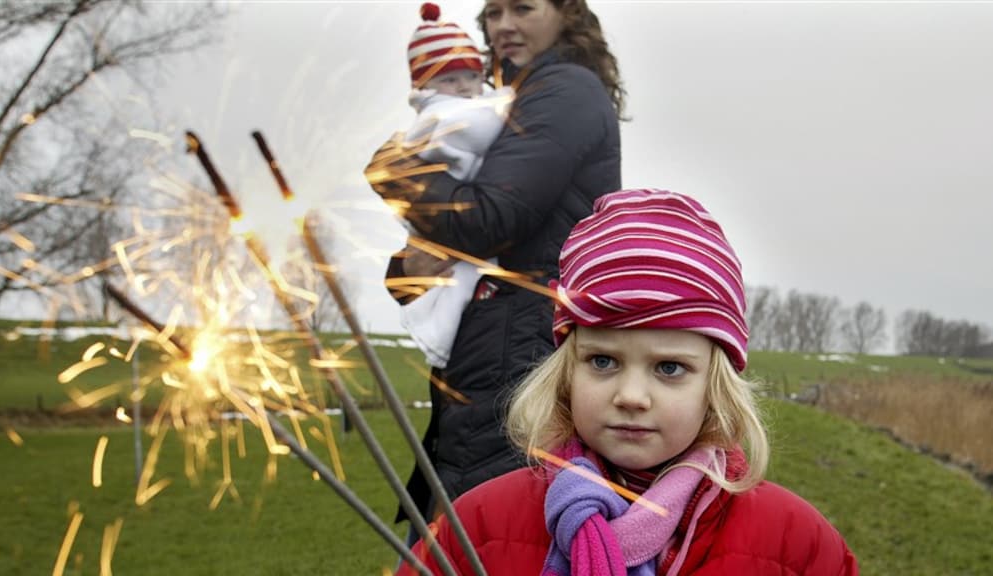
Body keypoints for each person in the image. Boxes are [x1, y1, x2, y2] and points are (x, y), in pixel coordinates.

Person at [396, 189, 860, 575]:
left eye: (669, 368)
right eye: (602, 361)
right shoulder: (479, 527)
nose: (631, 397)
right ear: (566, 373)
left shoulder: (796, 544)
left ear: (715, 387)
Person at [365, 0, 625, 540]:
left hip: (522, 342)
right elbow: (472, 240)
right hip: (494, 338)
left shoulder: (564, 92)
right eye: (494, 12)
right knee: (461, 521)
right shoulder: (509, 101)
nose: (504, 25)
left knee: (482, 529)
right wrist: (408, 269)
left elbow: (490, 217)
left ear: (566, 14)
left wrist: (396, 172)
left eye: (524, 8)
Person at [396, 2, 516, 370]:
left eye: (471, 76)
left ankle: (440, 336)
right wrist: (514, 103)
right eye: (449, 79)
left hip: (464, 233)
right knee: (455, 289)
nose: (464, 88)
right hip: (455, 235)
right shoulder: (443, 114)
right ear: (425, 86)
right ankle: (439, 336)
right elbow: (478, 126)